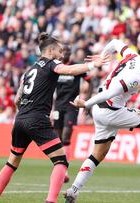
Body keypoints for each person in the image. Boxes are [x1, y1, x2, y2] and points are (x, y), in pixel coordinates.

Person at [0, 33, 109, 203]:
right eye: (59, 51)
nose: (62, 54)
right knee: (61, 162)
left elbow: (17, 99)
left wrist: (24, 113)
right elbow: (69, 70)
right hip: (37, 119)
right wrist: (92, 65)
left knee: (12, 162)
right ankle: (50, 201)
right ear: (51, 50)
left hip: (20, 118)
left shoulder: (30, 69)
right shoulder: (51, 64)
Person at [65, 39, 140, 202]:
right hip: (110, 111)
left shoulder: (132, 55)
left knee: (97, 154)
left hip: (99, 110)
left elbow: (114, 42)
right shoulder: (138, 77)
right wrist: (85, 103)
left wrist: (102, 56)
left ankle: (74, 189)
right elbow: (111, 92)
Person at [53, 45, 91, 183]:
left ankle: (64, 169)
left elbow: (89, 81)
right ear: (61, 54)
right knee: (57, 139)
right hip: (57, 106)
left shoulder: (76, 68)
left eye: (69, 52)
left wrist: (87, 101)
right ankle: (60, 167)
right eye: (64, 52)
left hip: (71, 106)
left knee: (66, 136)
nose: (66, 54)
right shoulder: (56, 68)